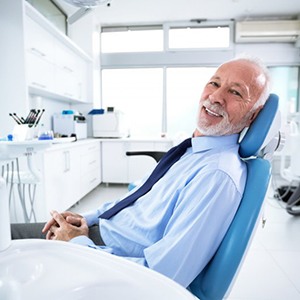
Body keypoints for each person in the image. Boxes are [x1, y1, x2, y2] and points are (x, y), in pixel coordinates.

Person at [11, 55, 271, 288]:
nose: (215, 97)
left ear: (253, 115)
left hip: (108, 261)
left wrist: (78, 243)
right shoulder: (194, 152)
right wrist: (86, 219)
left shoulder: (216, 176)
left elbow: (163, 277)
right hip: (98, 234)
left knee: (6, 241)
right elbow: (136, 201)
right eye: (214, 83)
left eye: (236, 92)